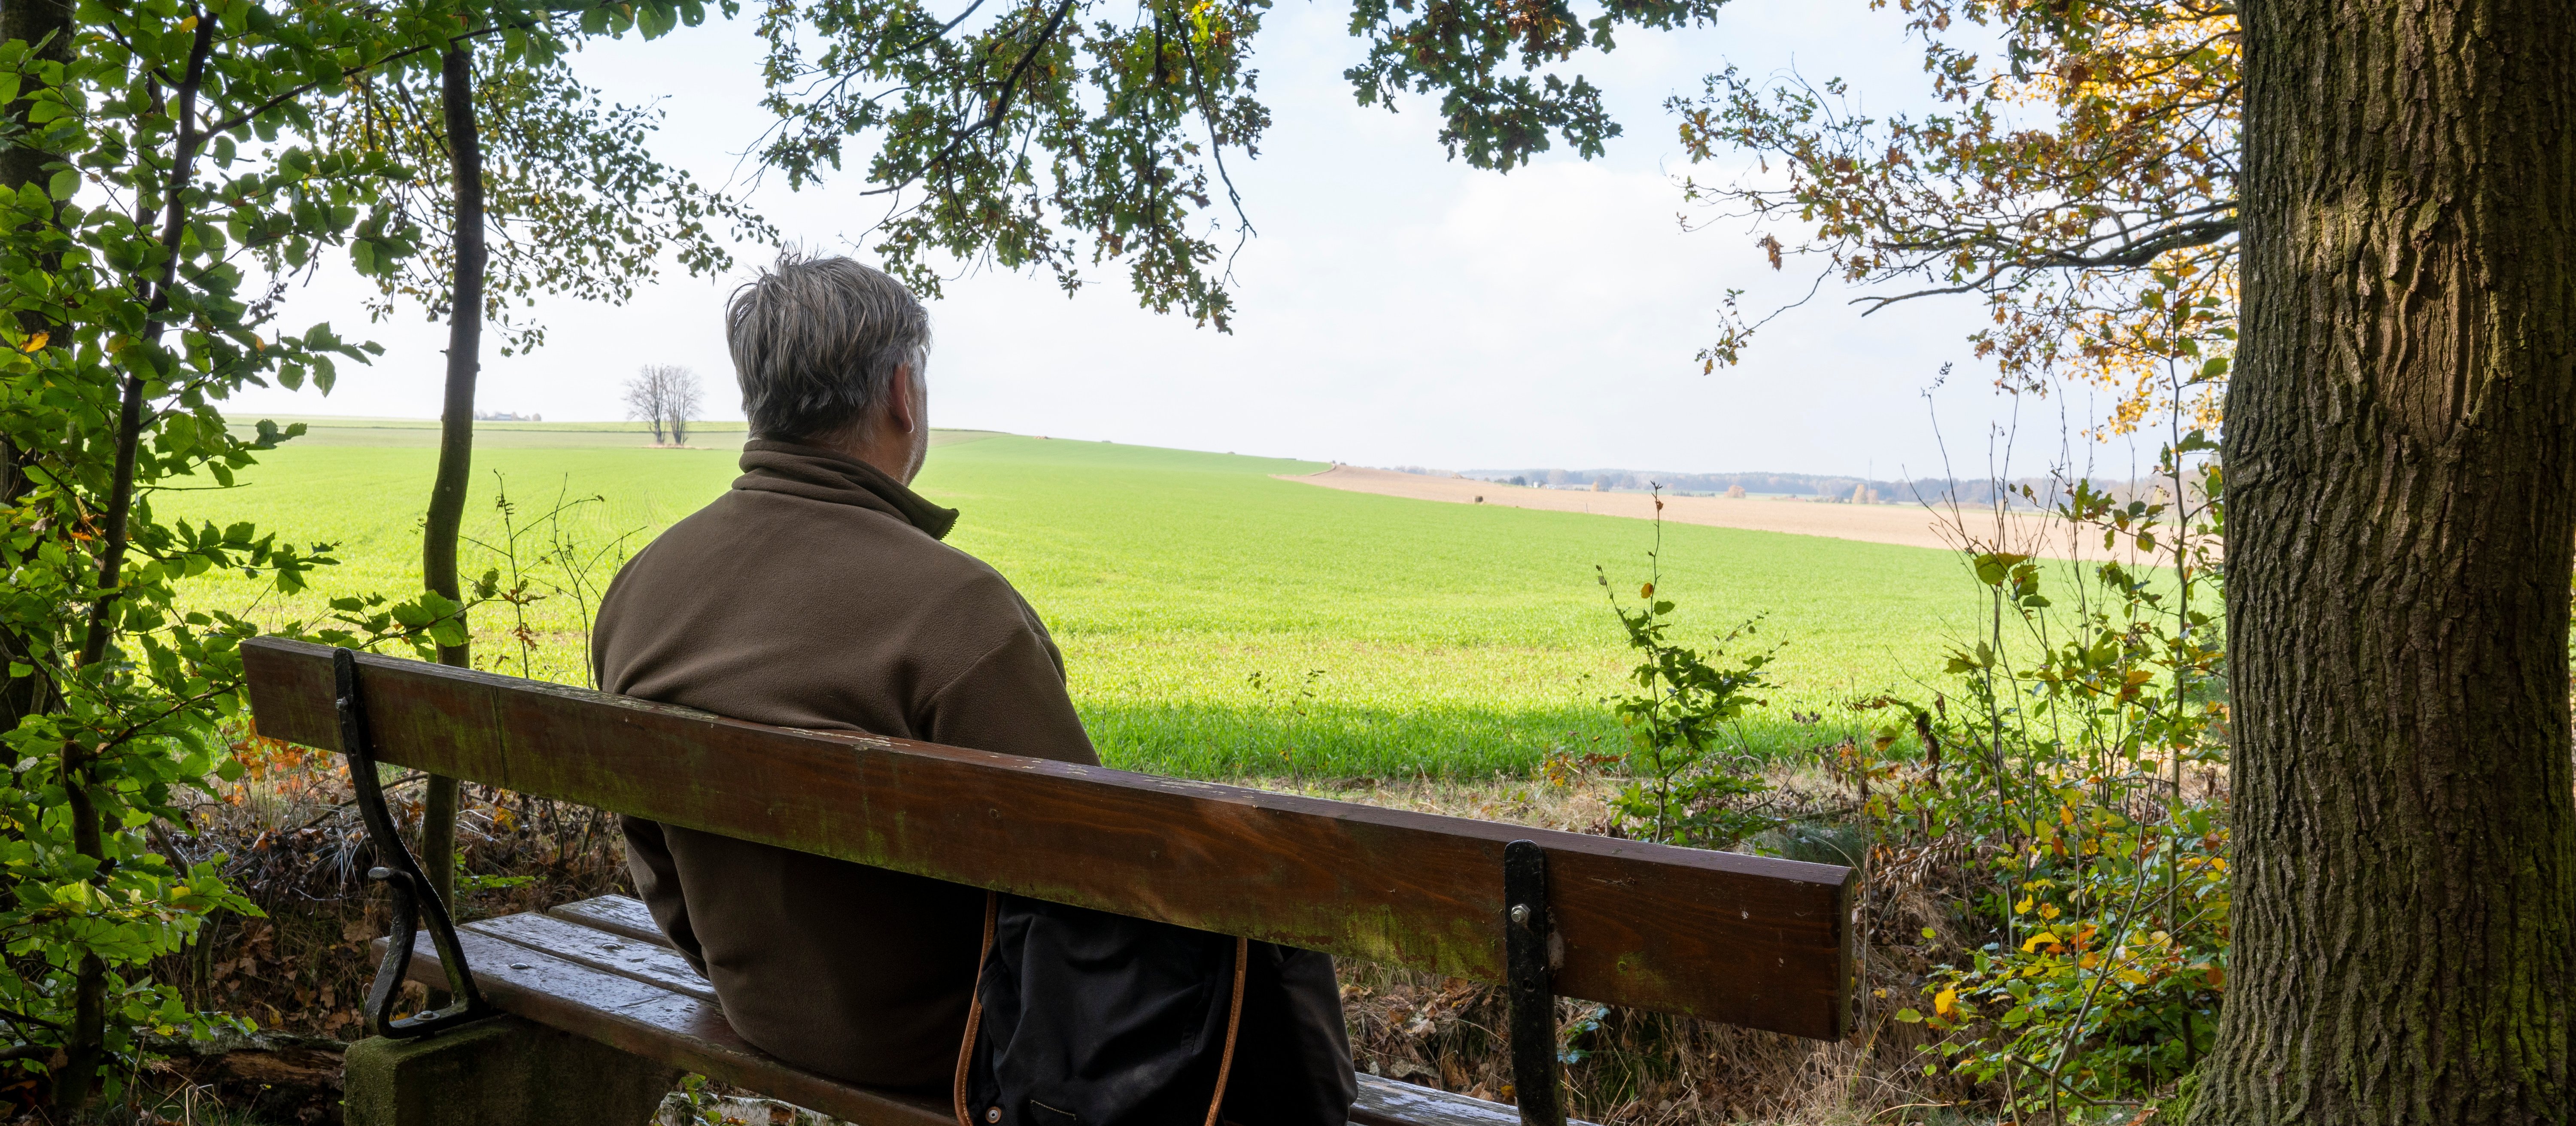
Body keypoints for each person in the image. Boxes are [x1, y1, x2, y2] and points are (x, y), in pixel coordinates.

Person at [591, 253, 1097, 1088]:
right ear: (902, 391)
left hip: (761, 1010)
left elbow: (658, 861)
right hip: (962, 1047)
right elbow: (1091, 881)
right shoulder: (961, 611)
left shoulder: (645, 585)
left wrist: (746, 977)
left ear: (762, 400)